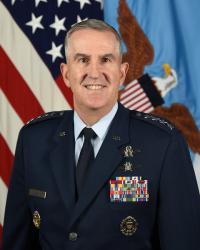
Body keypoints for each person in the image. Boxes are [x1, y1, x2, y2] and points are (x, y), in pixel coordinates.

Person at [2, 19, 200, 250]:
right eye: (82, 60)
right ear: (66, 74)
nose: (94, 72)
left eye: (106, 59)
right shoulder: (34, 139)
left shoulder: (163, 143)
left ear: (122, 72)